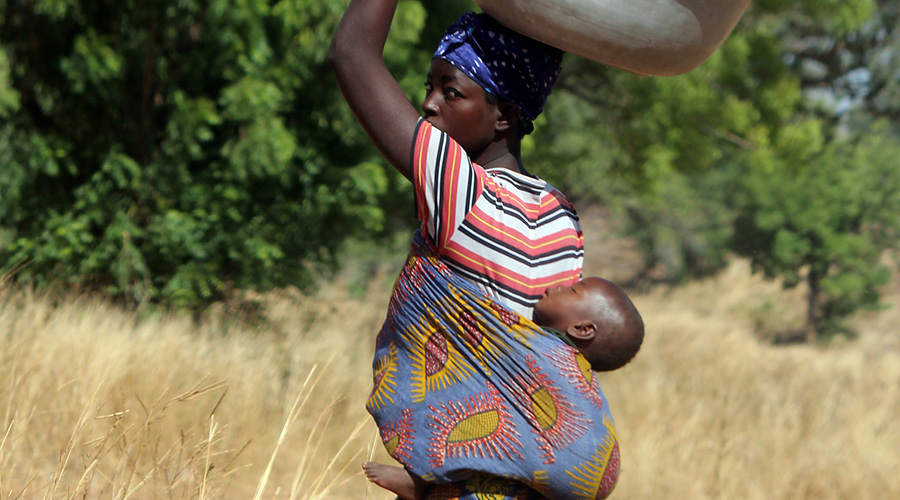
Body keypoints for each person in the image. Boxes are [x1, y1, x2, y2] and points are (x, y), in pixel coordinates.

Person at [329, 2, 618, 499]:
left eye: (451, 91)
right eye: (429, 86)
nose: (428, 104)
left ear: (503, 114)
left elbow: (351, 54)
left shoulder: (463, 191)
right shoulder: (562, 217)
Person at [361, 277, 644, 500]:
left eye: (572, 290)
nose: (558, 284)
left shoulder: (551, 359)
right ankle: (423, 480)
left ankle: (423, 479)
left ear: (583, 329)